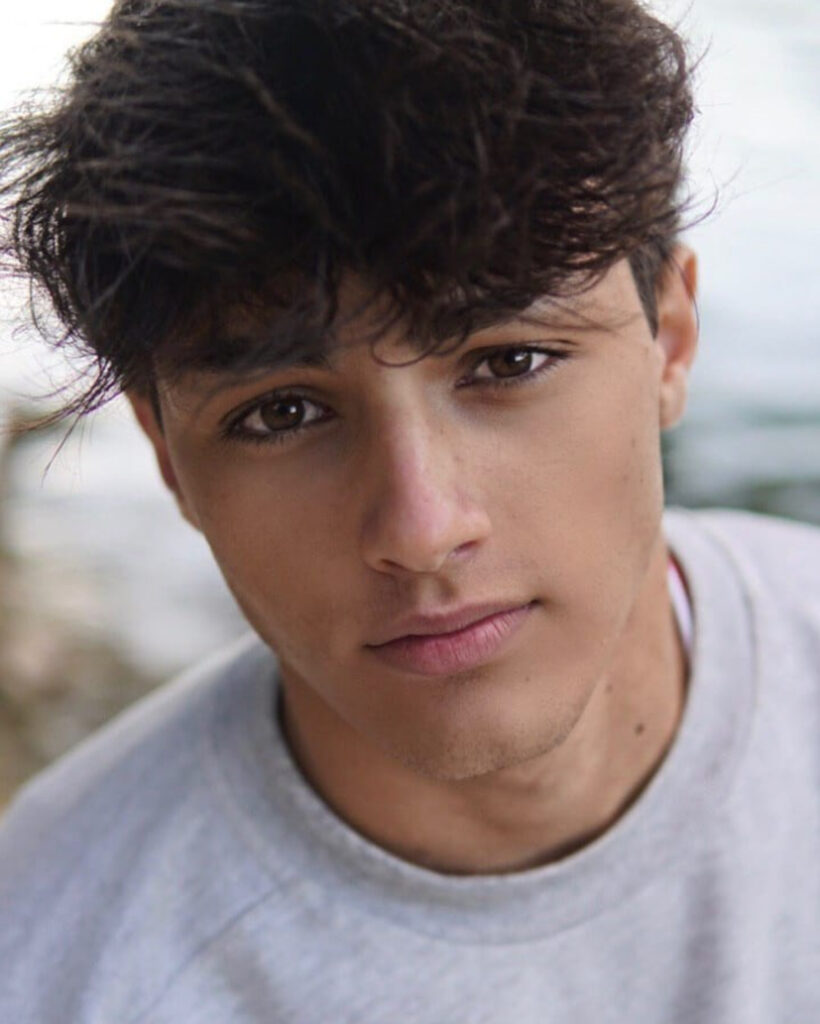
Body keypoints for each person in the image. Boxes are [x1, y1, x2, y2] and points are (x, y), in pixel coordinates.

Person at [0, 0, 817, 1020]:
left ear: (670, 337)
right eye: (282, 413)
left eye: (510, 361)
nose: (422, 531)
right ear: (167, 453)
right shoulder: (49, 961)